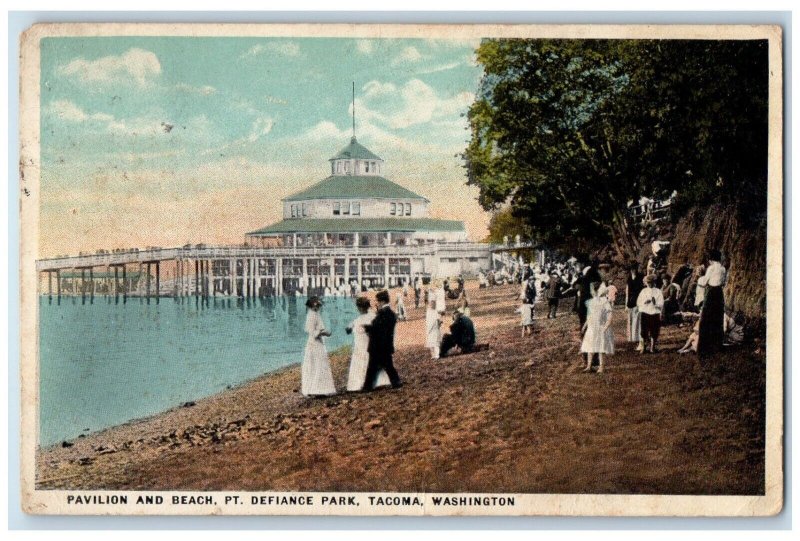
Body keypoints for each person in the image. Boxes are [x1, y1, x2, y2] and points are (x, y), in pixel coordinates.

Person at [345, 297, 391, 391]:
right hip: (364, 343)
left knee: (365, 359)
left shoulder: (363, 318)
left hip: (365, 343)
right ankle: (376, 381)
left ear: (360, 308)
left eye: (359, 307)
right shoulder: (368, 317)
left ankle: (363, 383)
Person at [363, 290, 402, 390]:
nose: (376, 303)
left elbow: (378, 329)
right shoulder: (390, 313)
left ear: (382, 301)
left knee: (372, 367)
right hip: (385, 344)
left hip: (378, 345)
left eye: (377, 301)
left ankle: (367, 387)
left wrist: (368, 328)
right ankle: (396, 382)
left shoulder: (383, 314)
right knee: (388, 365)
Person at [300, 296, 336, 397]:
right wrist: (324, 333)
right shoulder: (312, 315)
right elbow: (312, 333)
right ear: (311, 306)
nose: (317, 308)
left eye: (318, 306)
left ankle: (318, 388)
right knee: (317, 363)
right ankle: (316, 389)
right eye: (315, 306)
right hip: (314, 343)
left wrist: (323, 332)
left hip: (317, 342)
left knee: (318, 364)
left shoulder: (315, 314)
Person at [697, 249, 727, 358]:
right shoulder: (723, 269)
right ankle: (716, 346)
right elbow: (723, 282)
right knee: (717, 319)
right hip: (719, 294)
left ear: (711, 259)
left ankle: (704, 347)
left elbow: (704, 283)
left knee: (705, 319)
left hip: (711, 293)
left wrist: (699, 277)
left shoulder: (711, 268)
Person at [580, 282, 614, 373]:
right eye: (592, 290)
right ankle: (589, 365)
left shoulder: (604, 302)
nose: (593, 292)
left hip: (600, 326)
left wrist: (606, 326)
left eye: (594, 290)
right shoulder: (591, 302)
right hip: (592, 327)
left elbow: (610, 315)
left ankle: (601, 366)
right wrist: (585, 326)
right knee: (590, 345)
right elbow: (589, 316)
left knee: (601, 346)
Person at [636, 274, 664, 354]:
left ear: (654, 283)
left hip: (654, 312)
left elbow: (661, 304)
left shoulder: (658, 291)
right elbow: (638, 302)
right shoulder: (643, 291)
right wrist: (645, 302)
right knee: (644, 330)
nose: (649, 284)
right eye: (648, 283)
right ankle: (644, 347)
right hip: (645, 312)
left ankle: (652, 347)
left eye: (651, 282)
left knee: (654, 330)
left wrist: (655, 303)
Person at [625, 264, 645, 351]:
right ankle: (637, 342)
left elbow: (643, 290)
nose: (633, 270)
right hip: (631, 303)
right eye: (631, 269)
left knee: (639, 323)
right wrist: (626, 304)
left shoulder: (641, 277)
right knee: (632, 323)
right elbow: (627, 292)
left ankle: (641, 343)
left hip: (638, 302)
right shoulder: (629, 278)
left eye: (634, 269)